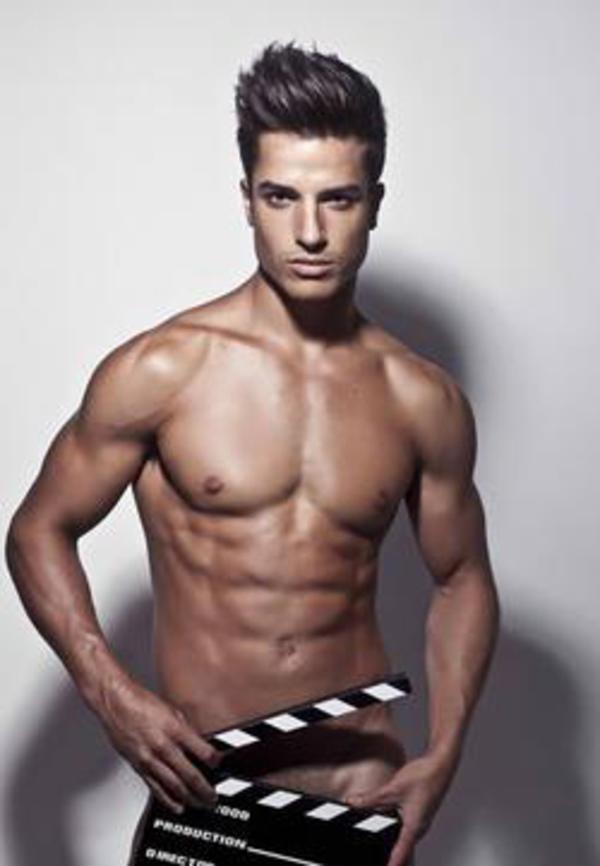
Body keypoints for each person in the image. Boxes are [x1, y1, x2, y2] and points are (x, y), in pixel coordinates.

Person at [5, 41, 500, 866]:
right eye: (281, 197)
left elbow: (462, 578)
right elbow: (37, 530)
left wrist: (444, 752)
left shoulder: (423, 399)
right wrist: (110, 693)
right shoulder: (163, 371)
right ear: (247, 200)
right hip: (209, 789)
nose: (310, 232)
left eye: (338, 199)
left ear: (374, 203)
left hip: (360, 784)